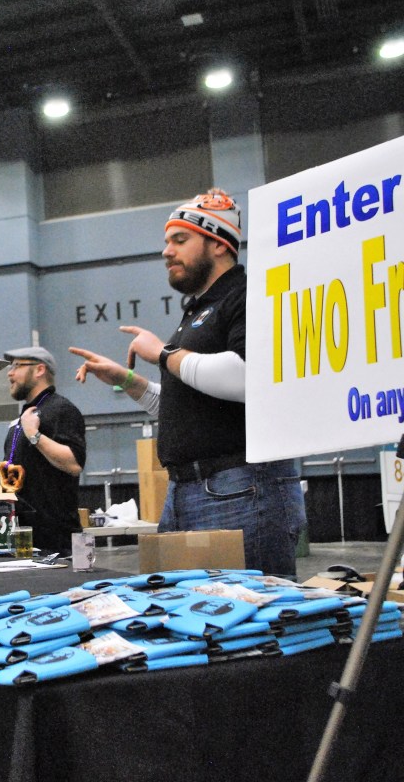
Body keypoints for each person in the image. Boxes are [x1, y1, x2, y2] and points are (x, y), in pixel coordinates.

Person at [70, 188, 306, 577]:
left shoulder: (248, 294)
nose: (166, 251)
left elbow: (252, 378)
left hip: (240, 490)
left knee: (254, 625)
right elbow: (191, 404)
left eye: (180, 240)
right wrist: (128, 380)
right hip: (190, 491)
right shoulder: (200, 310)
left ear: (218, 244)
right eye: (167, 242)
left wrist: (163, 354)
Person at [0, 347, 86, 555]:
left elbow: (74, 464)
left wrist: (34, 434)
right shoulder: (23, 418)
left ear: (39, 370)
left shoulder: (61, 410)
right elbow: (23, 472)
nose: (10, 373)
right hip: (22, 535)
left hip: (54, 540)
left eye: (17, 366)